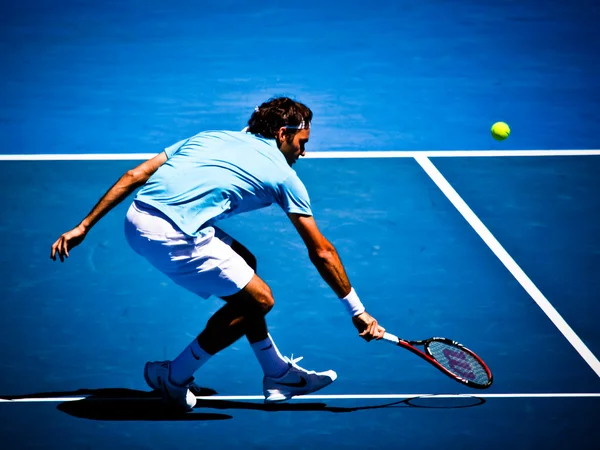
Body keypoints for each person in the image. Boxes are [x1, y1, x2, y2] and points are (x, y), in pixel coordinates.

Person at [50, 96, 386, 411]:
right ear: (284, 134)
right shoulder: (285, 176)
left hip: (136, 219)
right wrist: (357, 311)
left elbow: (135, 175)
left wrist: (84, 226)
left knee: (246, 265)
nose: (303, 152)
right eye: (302, 143)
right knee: (259, 299)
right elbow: (321, 251)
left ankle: (277, 373)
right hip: (173, 235)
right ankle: (175, 375)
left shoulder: (208, 137)